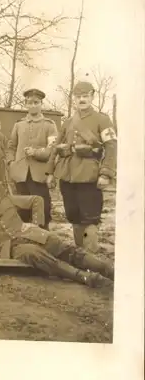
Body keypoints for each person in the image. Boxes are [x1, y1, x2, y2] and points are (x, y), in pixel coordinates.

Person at [0, 180, 114, 288]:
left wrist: (36, 224)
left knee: (62, 246)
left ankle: (108, 270)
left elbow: (37, 200)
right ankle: (85, 277)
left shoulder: (9, 201)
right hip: (10, 247)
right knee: (35, 254)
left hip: (31, 235)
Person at [46, 81, 117, 252]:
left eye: (85, 96)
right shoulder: (68, 122)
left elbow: (112, 146)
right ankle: (80, 254)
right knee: (73, 216)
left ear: (92, 96)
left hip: (89, 175)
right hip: (67, 175)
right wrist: (50, 172)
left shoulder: (102, 119)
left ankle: (91, 257)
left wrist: (106, 173)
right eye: (78, 97)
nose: (82, 99)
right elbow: (56, 147)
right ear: (74, 99)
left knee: (90, 218)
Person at [7, 88, 58, 230]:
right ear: (26, 104)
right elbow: (11, 146)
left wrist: (35, 152)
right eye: (30, 103)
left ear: (41, 104)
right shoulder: (19, 124)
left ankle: (42, 235)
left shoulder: (49, 124)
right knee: (21, 208)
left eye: (36, 102)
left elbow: (52, 149)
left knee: (43, 206)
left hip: (40, 174)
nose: (33, 105)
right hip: (20, 175)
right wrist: (11, 163)